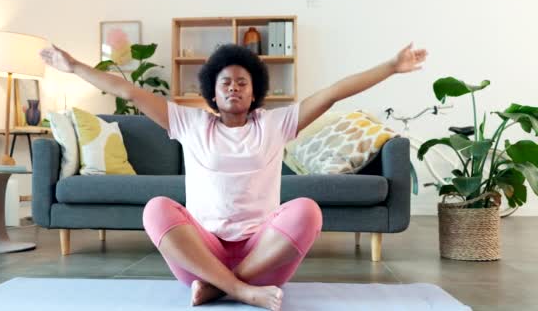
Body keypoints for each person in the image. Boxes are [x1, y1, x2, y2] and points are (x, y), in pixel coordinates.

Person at [40, 42, 427, 310]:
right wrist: (72, 66)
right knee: (156, 209)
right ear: (212, 90)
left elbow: (332, 93)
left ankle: (222, 287)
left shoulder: (276, 124)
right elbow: (128, 90)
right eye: (226, 82)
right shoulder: (189, 123)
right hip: (201, 253)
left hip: (264, 254)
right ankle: (241, 291)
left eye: (243, 82)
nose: (234, 88)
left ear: (255, 89)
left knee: (307, 210)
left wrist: (392, 66)